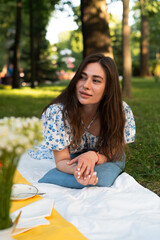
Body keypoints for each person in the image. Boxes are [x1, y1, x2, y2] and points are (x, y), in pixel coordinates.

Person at [29, 53, 135, 188]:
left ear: (108, 88)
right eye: (82, 77)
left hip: (96, 154)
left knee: (105, 176)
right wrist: (79, 172)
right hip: (64, 156)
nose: (86, 85)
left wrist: (93, 157)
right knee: (92, 179)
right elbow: (62, 160)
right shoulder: (57, 113)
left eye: (96, 80)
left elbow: (112, 151)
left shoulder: (120, 112)